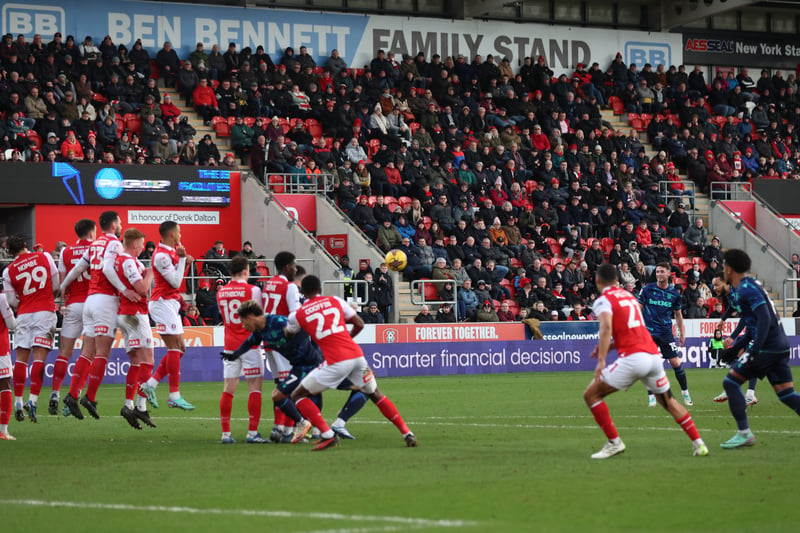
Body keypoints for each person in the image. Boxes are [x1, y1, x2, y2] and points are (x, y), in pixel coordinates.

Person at [583, 263, 708, 459]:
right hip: (652, 357)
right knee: (669, 402)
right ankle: (699, 443)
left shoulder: (604, 300)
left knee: (591, 395)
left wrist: (601, 360)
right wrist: (612, 346)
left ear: (598, 281)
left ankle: (614, 442)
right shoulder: (629, 297)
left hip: (634, 358)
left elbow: (606, 328)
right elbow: (635, 329)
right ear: (617, 280)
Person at [282, 275, 418, 450]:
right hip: (357, 355)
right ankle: (407, 433)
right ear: (320, 290)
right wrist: (347, 338)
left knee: (297, 395)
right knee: (376, 394)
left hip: (335, 360)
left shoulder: (298, 314)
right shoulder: (335, 300)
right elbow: (359, 323)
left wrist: (285, 331)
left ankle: (328, 434)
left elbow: (290, 333)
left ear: (302, 292)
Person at [718, 249, 800, 449]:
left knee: (730, 382)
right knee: (786, 393)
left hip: (768, 347)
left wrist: (754, 351)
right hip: (778, 345)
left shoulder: (747, 289)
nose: (722, 268)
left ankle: (744, 433)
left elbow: (764, 319)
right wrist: (738, 345)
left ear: (729, 269)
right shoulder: (744, 288)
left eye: (723, 265)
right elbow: (754, 322)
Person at [60, 211, 137, 420]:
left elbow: (78, 268)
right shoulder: (114, 244)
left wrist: (64, 285)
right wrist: (123, 289)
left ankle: (72, 394)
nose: (121, 225)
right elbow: (108, 269)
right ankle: (90, 397)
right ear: (113, 225)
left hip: (89, 301)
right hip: (104, 300)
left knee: (88, 352)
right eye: (119, 222)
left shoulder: (93, 244)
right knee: (102, 353)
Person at [138, 221, 195, 410]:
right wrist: (181, 260)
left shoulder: (174, 250)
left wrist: (184, 262)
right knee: (175, 347)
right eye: (178, 231)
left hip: (170, 303)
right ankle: (173, 395)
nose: (181, 234)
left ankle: (150, 385)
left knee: (180, 348)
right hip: (161, 303)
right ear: (171, 234)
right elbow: (176, 281)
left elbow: (177, 278)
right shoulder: (161, 256)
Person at [3, 236, 59, 423]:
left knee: (20, 359)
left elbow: (11, 302)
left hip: (24, 314)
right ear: (26, 245)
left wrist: (25, 303)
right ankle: (32, 401)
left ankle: (18, 401)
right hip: (45, 312)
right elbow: (56, 285)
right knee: (39, 358)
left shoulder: (9, 271)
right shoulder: (45, 257)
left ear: (10, 252)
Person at [216, 256, 267, 443]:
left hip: (229, 346)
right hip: (250, 345)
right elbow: (259, 317)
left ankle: (226, 434)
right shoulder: (253, 290)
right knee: (255, 389)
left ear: (230, 272)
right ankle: (252, 433)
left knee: (228, 390)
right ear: (246, 270)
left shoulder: (221, 292)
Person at [50, 219, 95, 415]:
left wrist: (65, 299)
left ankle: (54, 394)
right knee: (88, 353)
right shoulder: (96, 249)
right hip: (92, 304)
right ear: (92, 232)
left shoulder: (66, 252)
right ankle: (74, 394)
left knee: (64, 352)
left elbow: (62, 281)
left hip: (73, 304)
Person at [114, 228, 157, 430]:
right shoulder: (128, 261)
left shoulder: (119, 260)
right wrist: (149, 273)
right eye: (140, 244)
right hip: (135, 313)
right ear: (133, 244)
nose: (142, 248)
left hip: (126, 312)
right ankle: (139, 406)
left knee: (137, 361)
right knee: (148, 360)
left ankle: (129, 404)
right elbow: (141, 288)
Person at [638, 262, 693, 407]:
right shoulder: (647, 289)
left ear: (669, 274)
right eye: (657, 272)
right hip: (648, 332)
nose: (659, 274)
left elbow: (678, 314)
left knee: (675, 362)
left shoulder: (674, 294)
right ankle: (651, 396)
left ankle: (685, 392)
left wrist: (682, 332)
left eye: (662, 272)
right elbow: (638, 309)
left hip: (665, 332)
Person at [261, 251, 302, 442]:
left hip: (268, 339)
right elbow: (294, 315)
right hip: (283, 341)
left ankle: (277, 428)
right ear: (287, 267)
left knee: (280, 385)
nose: (295, 268)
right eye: (294, 265)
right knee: (290, 386)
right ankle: (287, 431)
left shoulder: (268, 283)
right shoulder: (290, 287)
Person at [710, 273, 758, 405]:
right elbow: (732, 306)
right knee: (741, 357)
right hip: (752, 329)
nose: (714, 288)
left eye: (716, 284)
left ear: (725, 283)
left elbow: (745, 317)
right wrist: (723, 319)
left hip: (760, 327)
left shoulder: (739, 292)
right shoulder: (730, 294)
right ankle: (735, 389)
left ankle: (748, 393)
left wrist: (732, 337)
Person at [0, 291, 15, 439]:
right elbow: (12, 324)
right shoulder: (1, 297)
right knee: (4, 385)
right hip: (0, 349)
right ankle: (3, 430)